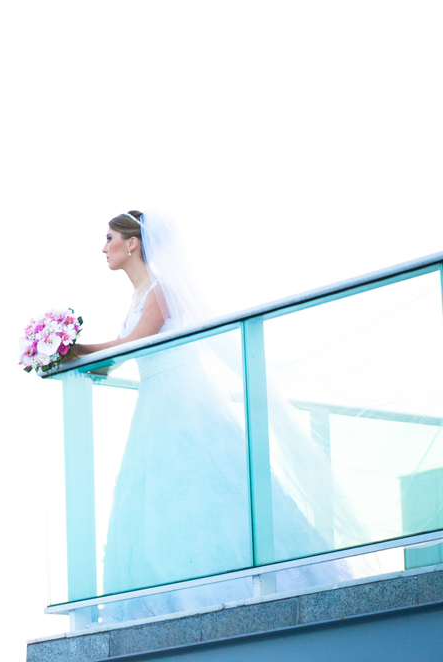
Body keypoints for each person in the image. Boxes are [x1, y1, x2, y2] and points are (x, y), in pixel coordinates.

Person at [68, 211, 356, 622]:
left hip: (176, 398)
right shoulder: (136, 297)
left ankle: (219, 592)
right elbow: (117, 356)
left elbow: (131, 344)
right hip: (152, 400)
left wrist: (73, 348)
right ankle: (166, 600)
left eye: (109, 237)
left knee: (199, 485)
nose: (103, 248)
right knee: (158, 495)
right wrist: (66, 357)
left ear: (132, 243)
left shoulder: (161, 291)